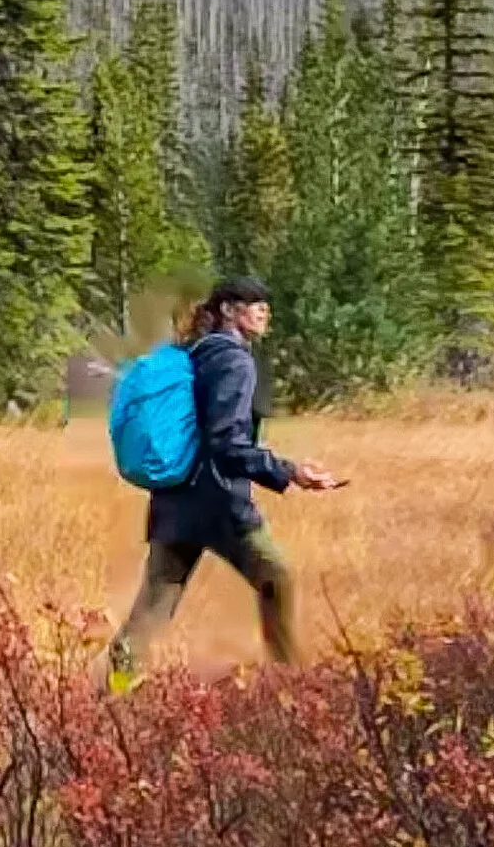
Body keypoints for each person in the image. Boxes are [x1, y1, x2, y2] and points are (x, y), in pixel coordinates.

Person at [107, 277, 342, 679]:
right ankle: (292, 685)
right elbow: (227, 442)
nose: (264, 309)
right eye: (252, 303)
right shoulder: (234, 360)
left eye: (265, 303)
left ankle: (113, 690)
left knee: (153, 607)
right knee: (278, 577)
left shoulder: (194, 354)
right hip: (219, 503)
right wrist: (290, 472)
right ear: (228, 312)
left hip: (174, 501)